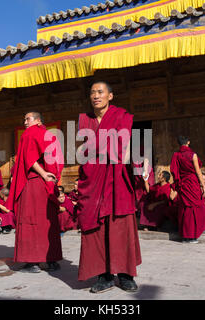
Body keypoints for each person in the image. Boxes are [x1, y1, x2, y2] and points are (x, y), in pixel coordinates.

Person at [76, 81, 141, 293]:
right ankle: (104, 275)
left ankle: (125, 274)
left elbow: (131, 145)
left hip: (117, 178)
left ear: (110, 96)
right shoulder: (85, 120)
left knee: (120, 226)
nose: (96, 96)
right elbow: (84, 151)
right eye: (92, 92)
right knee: (97, 228)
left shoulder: (122, 116)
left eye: (100, 92)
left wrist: (139, 165)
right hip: (94, 180)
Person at [7, 111, 64, 273]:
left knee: (29, 219)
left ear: (38, 121)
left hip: (33, 182)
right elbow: (58, 160)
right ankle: (50, 260)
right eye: (24, 119)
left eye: (27, 119)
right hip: (47, 185)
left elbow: (29, 159)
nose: (25, 122)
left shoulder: (30, 133)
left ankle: (31, 262)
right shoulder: (50, 135)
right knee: (47, 222)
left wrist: (43, 174)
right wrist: (51, 177)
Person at [170, 136, 205, 244]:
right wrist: (203, 186)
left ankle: (185, 236)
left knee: (185, 209)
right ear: (188, 142)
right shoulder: (193, 155)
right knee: (195, 208)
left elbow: (173, 171)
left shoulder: (176, 155)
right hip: (192, 183)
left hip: (183, 184)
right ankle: (193, 236)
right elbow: (198, 171)